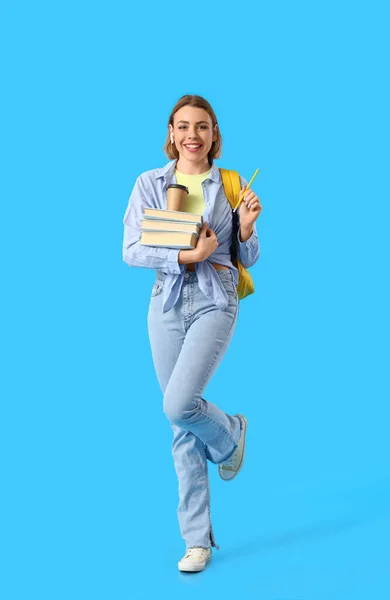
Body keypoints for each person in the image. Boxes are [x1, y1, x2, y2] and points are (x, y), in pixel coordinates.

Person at [122, 94, 261, 572]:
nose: (192, 136)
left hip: (215, 299)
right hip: (165, 301)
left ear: (214, 132)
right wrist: (185, 256)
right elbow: (132, 249)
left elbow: (251, 256)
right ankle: (196, 539)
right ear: (171, 132)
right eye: (183, 126)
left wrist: (244, 228)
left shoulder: (230, 183)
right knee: (180, 425)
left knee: (179, 404)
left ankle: (228, 437)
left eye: (202, 126)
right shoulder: (150, 183)